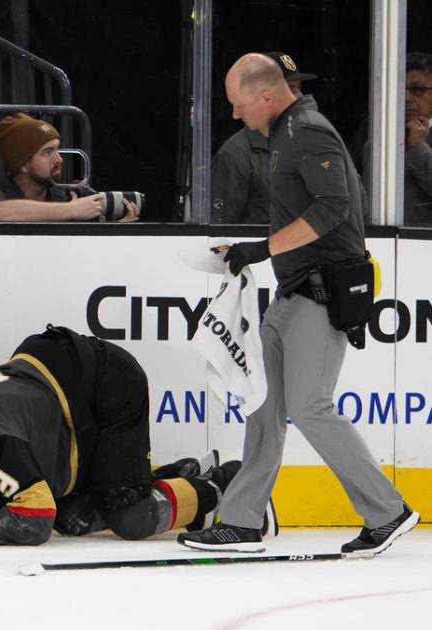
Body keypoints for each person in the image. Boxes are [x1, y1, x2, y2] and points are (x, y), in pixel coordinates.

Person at [179, 53, 419, 556]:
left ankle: (388, 511)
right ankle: (243, 522)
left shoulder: (306, 132)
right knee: (264, 403)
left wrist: (260, 249)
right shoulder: (283, 136)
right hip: (292, 293)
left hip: (320, 292)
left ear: (266, 97)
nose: (235, 115)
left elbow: (335, 207)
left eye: (237, 103)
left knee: (310, 407)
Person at [0, 325, 266, 546]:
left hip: (102, 380)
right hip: (53, 387)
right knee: (73, 516)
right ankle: (182, 473)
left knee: (131, 517)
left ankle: (228, 486)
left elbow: (34, 519)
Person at [0, 113, 141, 222]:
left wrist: (118, 229)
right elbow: (0, 214)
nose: (59, 159)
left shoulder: (70, 194)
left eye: (57, 150)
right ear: (22, 163)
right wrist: (71, 210)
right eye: (47, 152)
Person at [211, 52, 318, 225]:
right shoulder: (235, 155)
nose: (298, 96)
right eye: (290, 88)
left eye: (298, 88)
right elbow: (219, 232)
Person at [403, 52, 432, 227]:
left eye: (417, 90)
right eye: (400, 89)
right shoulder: (376, 131)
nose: (406, 98)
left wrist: (418, 148)